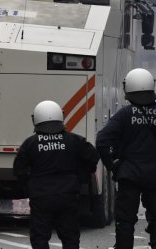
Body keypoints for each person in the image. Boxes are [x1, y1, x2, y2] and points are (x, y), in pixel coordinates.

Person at [96, 68, 156, 249]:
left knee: (125, 220)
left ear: (127, 89)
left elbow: (102, 140)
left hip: (129, 175)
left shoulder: (123, 115)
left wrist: (114, 165)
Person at [14, 100, 99, 249]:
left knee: (40, 237)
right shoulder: (74, 140)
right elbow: (92, 157)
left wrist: (29, 187)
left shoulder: (30, 143)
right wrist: (80, 177)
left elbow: (19, 169)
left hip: (41, 197)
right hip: (68, 194)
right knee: (70, 237)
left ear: (36, 120)